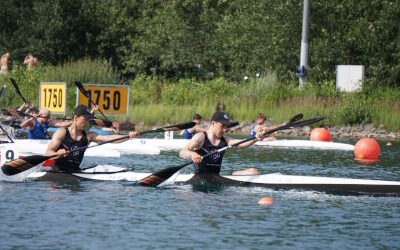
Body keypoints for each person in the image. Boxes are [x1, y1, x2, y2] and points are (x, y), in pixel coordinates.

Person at [45, 105, 139, 172]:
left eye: (88, 120)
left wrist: (128, 136)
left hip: (76, 172)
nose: (87, 122)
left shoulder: (89, 136)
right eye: (85, 119)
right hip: (57, 172)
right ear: (75, 118)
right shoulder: (62, 132)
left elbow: (109, 138)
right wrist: (57, 154)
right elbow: (48, 153)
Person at [179, 111, 261, 176]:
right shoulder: (200, 137)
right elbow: (182, 152)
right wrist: (192, 154)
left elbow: (242, 144)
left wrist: (256, 138)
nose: (225, 129)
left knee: (253, 171)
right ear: (213, 123)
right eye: (222, 126)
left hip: (216, 177)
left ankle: (233, 175)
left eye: (226, 126)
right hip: (200, 178)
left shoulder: (225, 141)